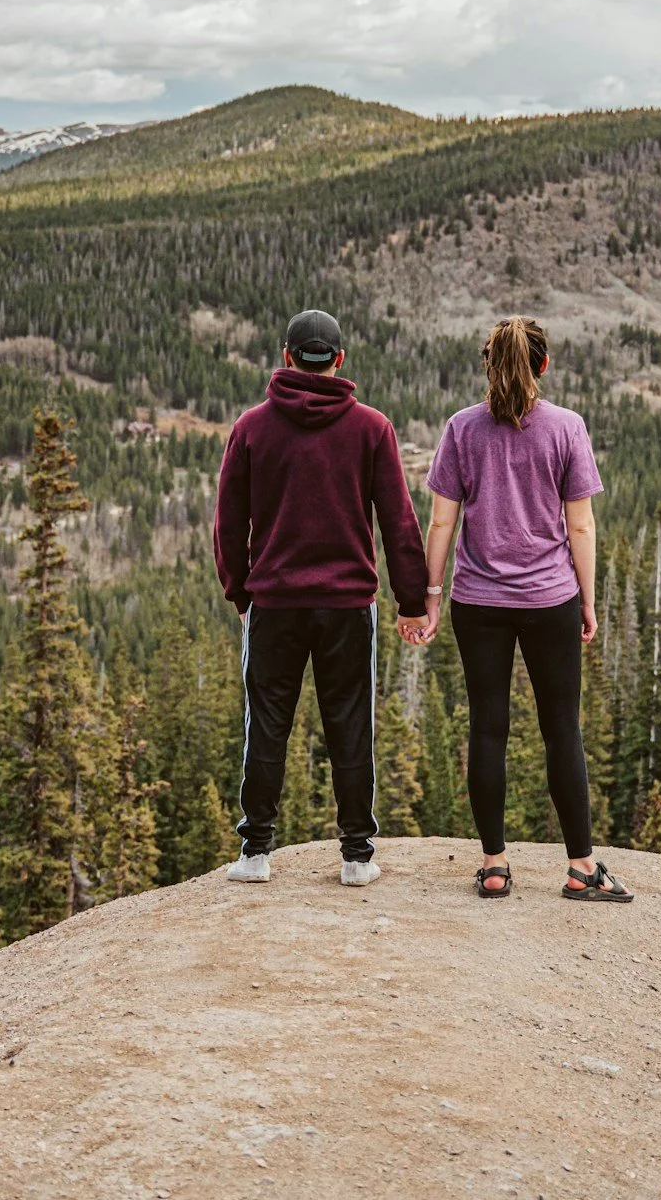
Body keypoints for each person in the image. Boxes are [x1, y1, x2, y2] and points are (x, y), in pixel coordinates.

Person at [418, 317, 631, 902]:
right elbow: (580, 524)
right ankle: (582, 869)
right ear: (543, 365)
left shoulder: (463, 429)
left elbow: (442, 521)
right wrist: (586, 600)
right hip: (550, 599)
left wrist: (429, 597)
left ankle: (493, 866)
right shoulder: (566, 428)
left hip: (477, 602)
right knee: (561, 728)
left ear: (489, 365)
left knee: (488, 728)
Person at [215, 308, 430, 887]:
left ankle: (255, 853)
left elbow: (229, 523)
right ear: (339, 360)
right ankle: (357, 858)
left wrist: (240, 589)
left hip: (275, 604)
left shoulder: (252, 428)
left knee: (267, 726)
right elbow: (398, 521)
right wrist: (413, 601)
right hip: (348, 607)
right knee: (350, 726)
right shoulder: (371, 428)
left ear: (286, 356)